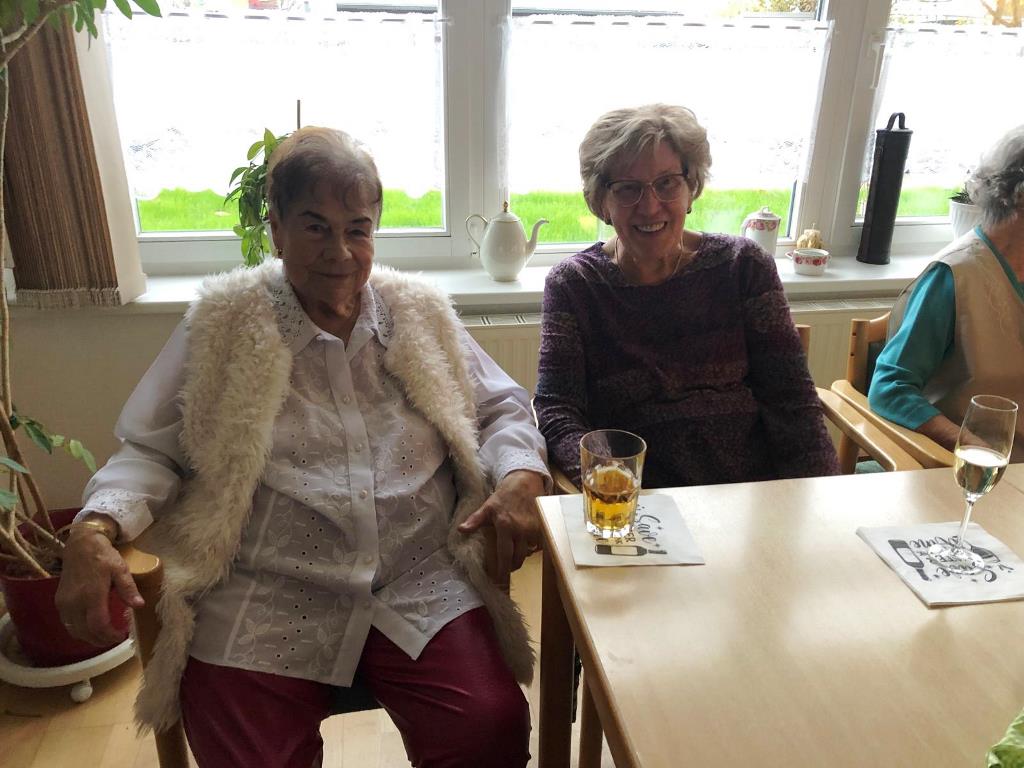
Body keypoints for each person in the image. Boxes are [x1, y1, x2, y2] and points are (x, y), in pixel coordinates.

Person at [55, 127, 550, 768]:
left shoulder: (417, 311)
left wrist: (519, 477)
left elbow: (503, 406)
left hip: (417, 579)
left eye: (357, 229)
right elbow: (150, 450)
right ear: (277, 230)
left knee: (489, 727)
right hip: (267, 590)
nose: (339, 252)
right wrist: (94, 527)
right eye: (315, 227)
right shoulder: (225, 322)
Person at [534, 103, 839, 489]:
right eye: (627, 188)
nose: (649, 206)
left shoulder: (743, 266)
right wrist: (608, 483)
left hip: (752, 496)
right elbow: (557, 409)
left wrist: (821, 499)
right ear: (601, 202)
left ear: (691, 188)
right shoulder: (575, 285)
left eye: (667, 183)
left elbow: (792, 400)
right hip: (640, 503)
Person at [869, 124, 1024, 459]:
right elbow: (890, 387)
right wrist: (969, 445)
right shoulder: (955, 276)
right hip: (970, 463)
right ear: (1019, 195)